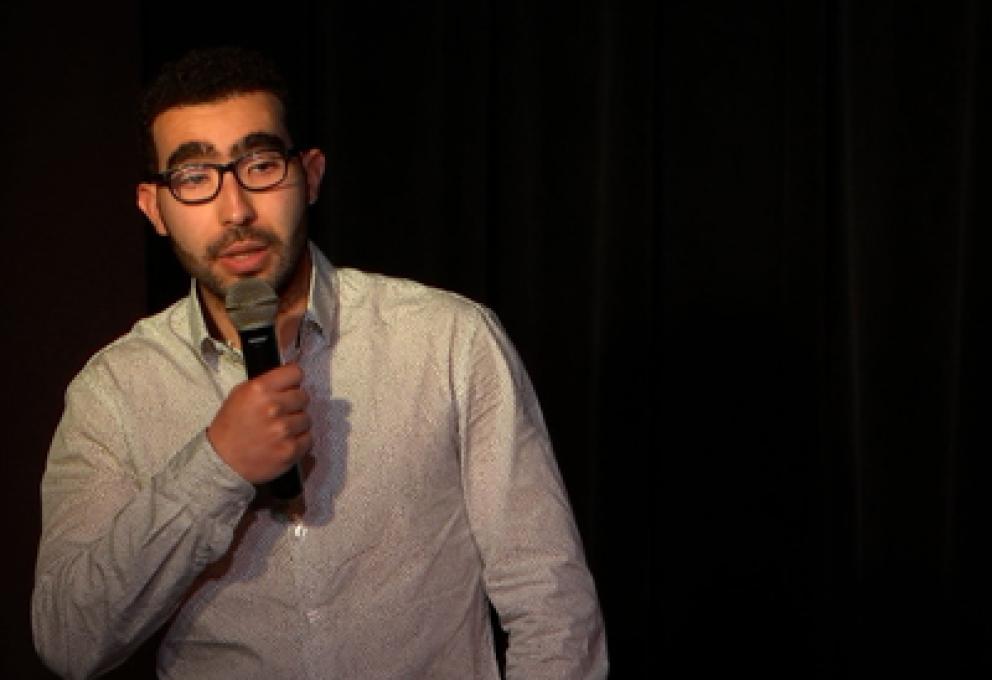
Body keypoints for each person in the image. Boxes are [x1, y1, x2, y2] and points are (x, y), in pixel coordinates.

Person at [31, 46, 607, 679]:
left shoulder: (448, 339)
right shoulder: (112, 392)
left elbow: (551, 603)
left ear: (309, 175)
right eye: (194, 178)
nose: (236, 210)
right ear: (153, 207)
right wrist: (216, 467)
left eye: (260, 165)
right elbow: (68, 641)